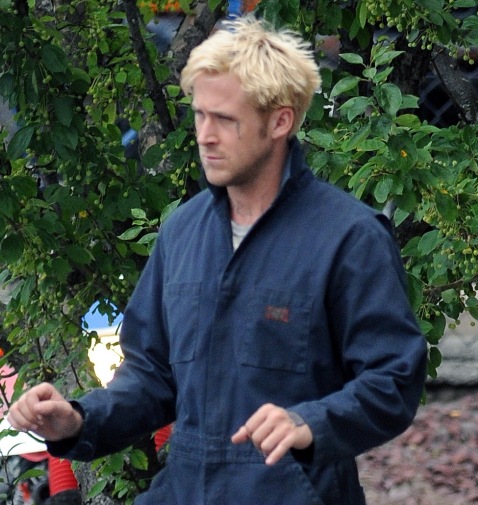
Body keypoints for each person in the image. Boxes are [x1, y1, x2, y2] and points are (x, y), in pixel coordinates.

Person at [8, 16, 427, 505]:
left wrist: (310, 423)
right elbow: (151, 375)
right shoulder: (183, 233)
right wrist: (79, 420)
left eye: (225, 119)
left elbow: (393, 380)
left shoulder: (349, 238)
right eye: (199, 115)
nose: (205, 135)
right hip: (184, 490)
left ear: (280, 122)